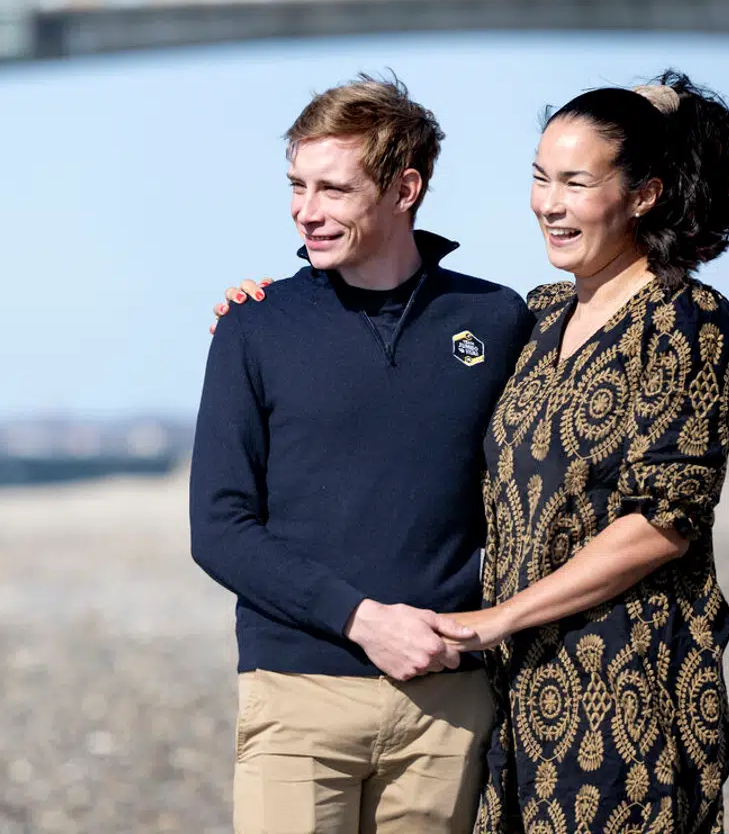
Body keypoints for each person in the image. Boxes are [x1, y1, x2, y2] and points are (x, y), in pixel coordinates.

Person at [216, 71, 729, 834]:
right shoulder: (532, 320)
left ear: (643, 195)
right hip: (519, 702)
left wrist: (494, 620)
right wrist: (263, 317)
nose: (549, 202)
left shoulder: (687, 319)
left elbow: (665, 521)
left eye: (575, 181)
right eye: (540, 177)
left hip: (625, 685)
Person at [190, 74, 535, 834]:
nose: (304, 210)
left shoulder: (496, 318)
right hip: (297, 695)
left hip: (447, 702)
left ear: (404, 188)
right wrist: (361, 619)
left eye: (333, 189)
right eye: (296, 185)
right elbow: (219, 529)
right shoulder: (256, 329)